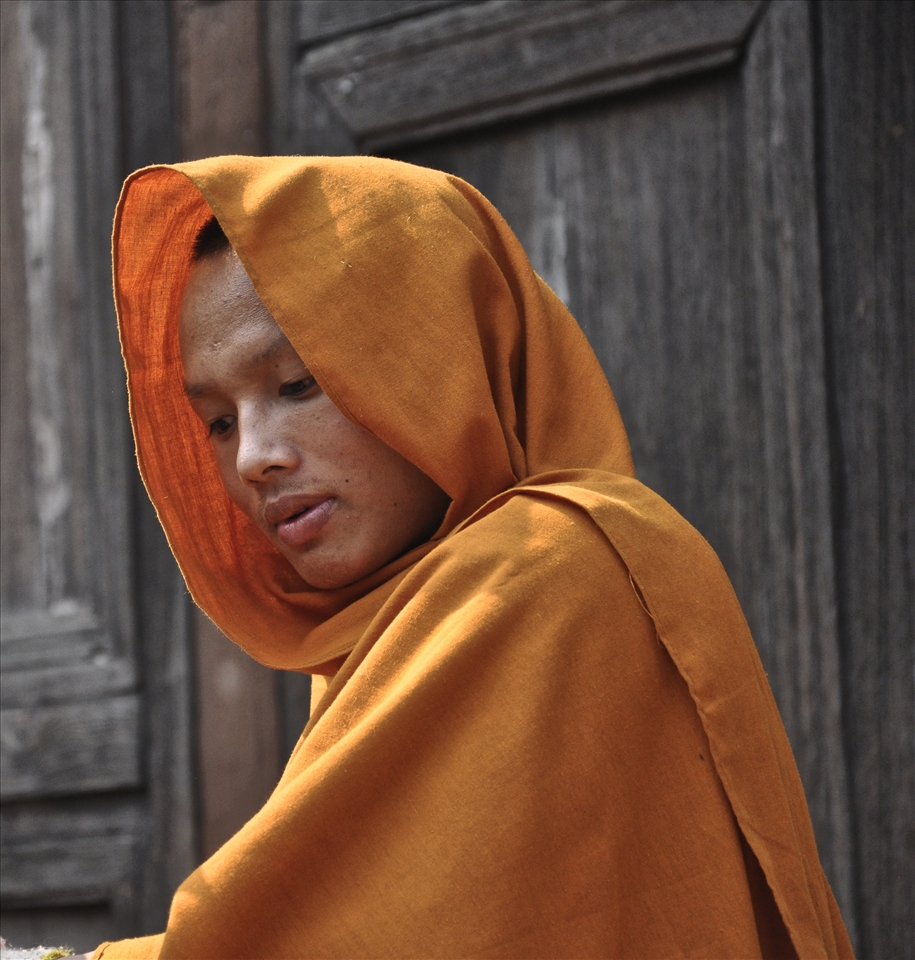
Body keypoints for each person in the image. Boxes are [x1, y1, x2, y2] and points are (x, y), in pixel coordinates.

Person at [91, 155, 852, 959]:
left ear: (444, 351)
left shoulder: (550, 570)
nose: (252, 458)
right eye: (215, 422)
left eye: (298, 383)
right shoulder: (392, 630)